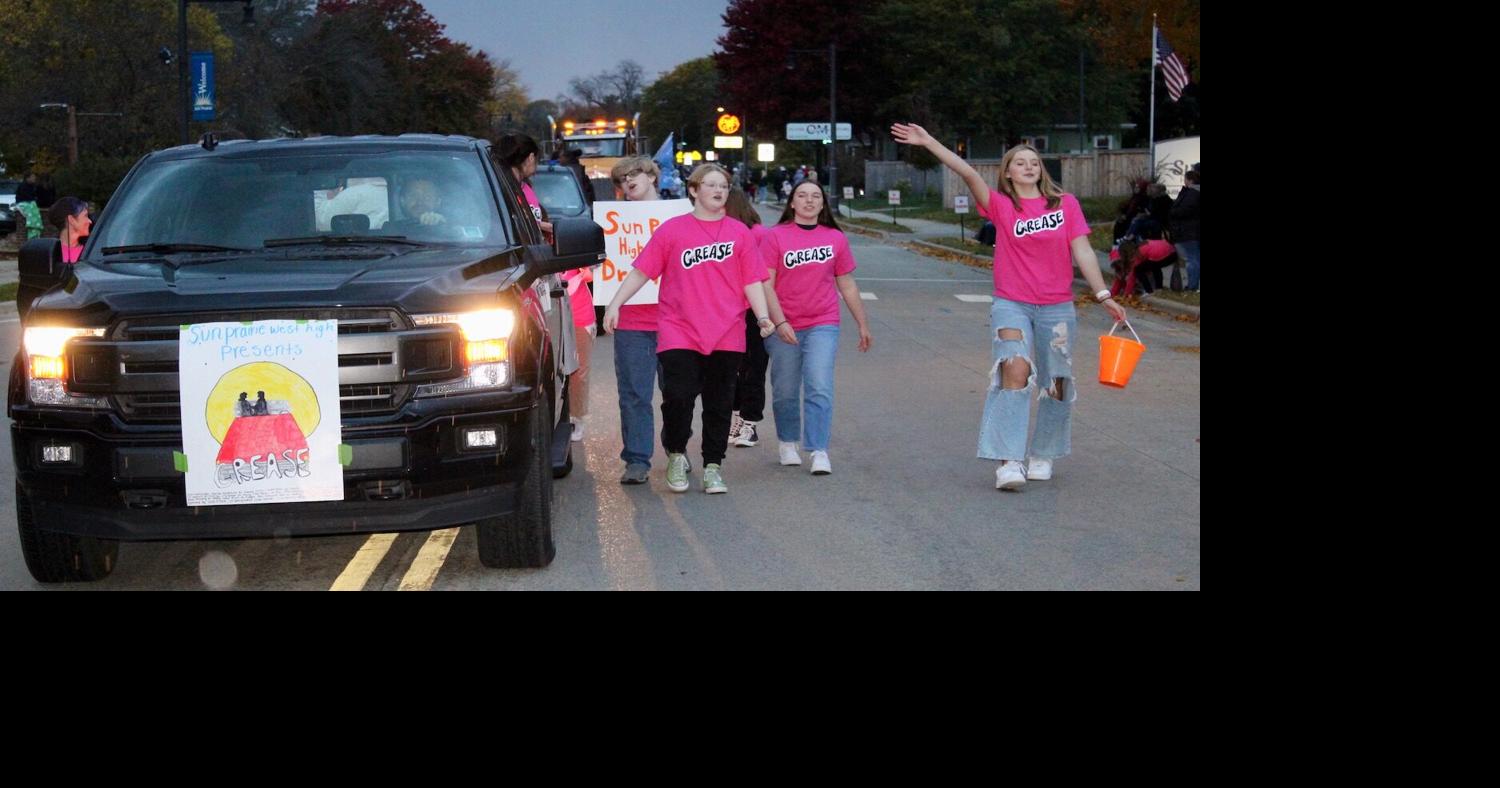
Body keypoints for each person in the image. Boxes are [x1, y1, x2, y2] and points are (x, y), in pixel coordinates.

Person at [892, 123, 1125, 491]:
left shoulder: (1065, 205)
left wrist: (1102, 294)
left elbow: (1081, 250)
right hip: (1011, 304)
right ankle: (1008, 461)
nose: (1029, 166)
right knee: (1013, 370)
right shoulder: (1000, 206)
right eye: (1020, 162)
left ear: (1041, 169)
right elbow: (966, 171)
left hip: (1057, 308)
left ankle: (1044, 453)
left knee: (1058, 382)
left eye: (1034, 161)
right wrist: (929, 142)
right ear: (1008, 172)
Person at [603, 163, 784, 495]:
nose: (719, 191)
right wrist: (615, 304)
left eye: (724, 186)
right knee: (679, 398)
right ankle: (675, 453)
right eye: (712, 185)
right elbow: (641, 272)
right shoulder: (673, 230)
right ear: (693, 190)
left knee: (719, 402)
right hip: (679, 329)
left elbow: (752, 281)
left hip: (727, 330)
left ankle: (713, 466)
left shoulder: (739, 233)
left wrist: (762, 317)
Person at [759, 180, 872, 475]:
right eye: (802, 196)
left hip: (823, 322)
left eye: (815, 196)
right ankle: (787, 442)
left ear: (823, 204)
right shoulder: (775, 237)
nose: (809, 201)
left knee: (819, 386)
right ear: (792, 202)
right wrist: (780, 321)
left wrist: (862, 323)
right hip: (784, 324)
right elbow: (765, 285)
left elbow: (846, 283)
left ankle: (819, 449)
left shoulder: (835, 238)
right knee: (784, 389)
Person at [608, 156, 667, 485]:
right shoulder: (611, 222)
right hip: (631, 320)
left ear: (651, 176)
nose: (628, 181)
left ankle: (676, 452)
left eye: (634, 174)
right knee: (634, 394)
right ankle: (637, 459)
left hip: (675, 319)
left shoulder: (679, 216)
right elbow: (604, 267)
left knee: (677, 394)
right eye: (622, 179)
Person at [723, 187, 772, 449]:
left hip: (754, 309)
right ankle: (734, 416)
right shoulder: (717, 233)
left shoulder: (758, 234)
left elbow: (764, 276)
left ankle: (750, 422)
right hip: (726, 310)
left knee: (754, 366)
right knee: (731, 367)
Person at [1109, 237, 1179, 298]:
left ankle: (1149, 291)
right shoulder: (1137, 249)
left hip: (1167, 254)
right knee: (1153, 267)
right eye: (1117, 263)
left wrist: (1127, 294)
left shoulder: (1136, 255)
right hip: (1170, 251)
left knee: (1139, 270)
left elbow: (1132, 277)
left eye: (1119, 261)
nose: (1119, 264)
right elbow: (1118, 281)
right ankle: (1158, 289)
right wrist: (1112, 294)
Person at [1170, 170, 1200, 292]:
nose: (1184, 181)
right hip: (1194, 231)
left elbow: (1183, 211)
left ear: (1190, 180)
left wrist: (1173, 212)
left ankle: (1192, 286)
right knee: (1195, 258)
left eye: (1185, 178)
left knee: (1192, 259)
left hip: (1189, 231)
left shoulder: (1192, 194)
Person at [46, 196, 91, 263]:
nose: (90, 221)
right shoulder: (49, 253)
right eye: (85, 216)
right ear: (71, 220)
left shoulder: (92, 251)